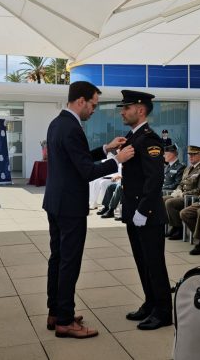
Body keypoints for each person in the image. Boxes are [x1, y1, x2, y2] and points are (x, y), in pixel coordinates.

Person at [43, 81, 134, 339]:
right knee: (69, 262)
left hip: (56, 202)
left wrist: (105, 149)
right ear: (81, 101)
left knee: (58, 259)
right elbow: (85, 170)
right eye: (93, 105)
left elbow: (77, 157)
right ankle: (65, 321)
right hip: (70, 206)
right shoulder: (72, 127)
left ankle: (55, 311)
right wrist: (117, 160)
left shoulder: (58, 123)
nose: (94, 110)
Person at [118, 90, 172, 330]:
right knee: (142, 261)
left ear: (140, 110)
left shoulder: (149, 139)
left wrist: (143, 210)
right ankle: (150, 303)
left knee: (154, 263)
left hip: (147, 214)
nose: (122, 111)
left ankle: (163, 311)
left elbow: (154, 179)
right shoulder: (132, 138)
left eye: (126, 107)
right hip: (134, 213)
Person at [164, 146, 200, 240]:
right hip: (183, 196)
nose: (191, 157)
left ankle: (179, 229)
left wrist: (183, 194)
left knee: (170, 202)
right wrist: (178, 190)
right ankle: (174, 226)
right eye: (190, 155)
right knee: (163, 199)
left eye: (193, 155)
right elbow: (181, 183)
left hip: (192, 197)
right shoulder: (188, 168)